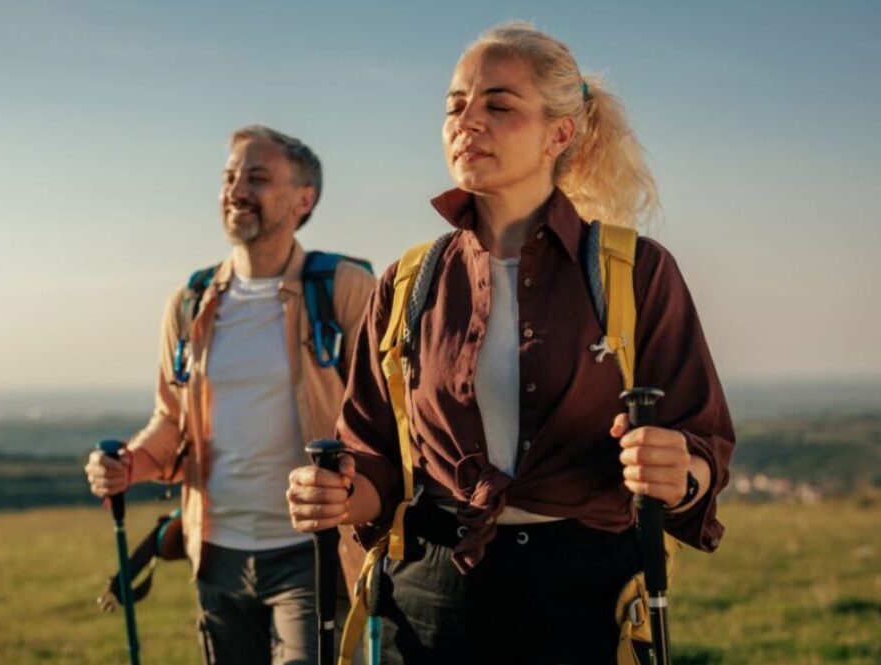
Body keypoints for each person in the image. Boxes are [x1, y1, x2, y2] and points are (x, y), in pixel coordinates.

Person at [285, 22, 735, 665]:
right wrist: (339, 492)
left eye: (499, 105)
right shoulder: (409, 281)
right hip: (427, 602)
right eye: (455, 105)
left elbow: (701, 438)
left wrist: (681, 474)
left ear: (560, 133)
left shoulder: (635, 272)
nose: (468, 121)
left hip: (585, 604)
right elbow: (373, 452)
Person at [86, 125, 376, 665]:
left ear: (304, 198)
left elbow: (383, 419)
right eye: (230, 177)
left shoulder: (344, 289)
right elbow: (170, 418)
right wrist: (130, 463)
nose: (236, 189)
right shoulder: (192, 302)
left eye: (258, 178)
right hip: (215, 552)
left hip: (314, 550)